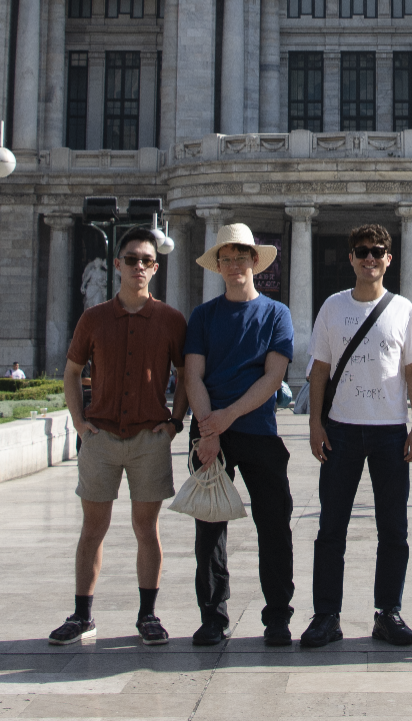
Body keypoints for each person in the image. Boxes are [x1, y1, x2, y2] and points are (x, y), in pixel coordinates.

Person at [48, 229, 186, 648]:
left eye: (146, 260)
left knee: (147, 528)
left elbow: (186, 374)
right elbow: (72, 371)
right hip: (102, 435)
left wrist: (175, 421)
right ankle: (83, 614)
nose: (138, 267)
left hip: (148, 436)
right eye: (131, 259)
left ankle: (147, 614)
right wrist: (78, 421)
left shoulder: (170, 320)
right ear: (118, 265)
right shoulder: (94, 318)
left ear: (156, 267)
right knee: (93, 528)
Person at [300, 224, 412, 650]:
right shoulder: (333, 308)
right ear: (351, 258)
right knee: (330, 528)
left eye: (377, 252)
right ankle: (326, 615)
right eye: (362, 252)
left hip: (390, 432)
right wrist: (315, 423)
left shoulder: (403, 309)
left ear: (389, 259)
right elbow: (319, 369)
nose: (370, 258)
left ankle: (388, 612)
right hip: (340, 429)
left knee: (393, 527)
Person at [185, 222, 297, 646]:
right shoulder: (203, 316)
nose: (234, 265)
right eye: (226, 259)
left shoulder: (276, 313)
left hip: (255, 429)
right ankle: (213, 616)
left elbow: (273, 378)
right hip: (210, 430)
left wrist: (224, 418)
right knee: (209, 528)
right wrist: (207, 427)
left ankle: (278, 617)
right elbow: (192, 375)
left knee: (274, 526)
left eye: (241, 257)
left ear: (255, 261)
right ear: (218, 265)